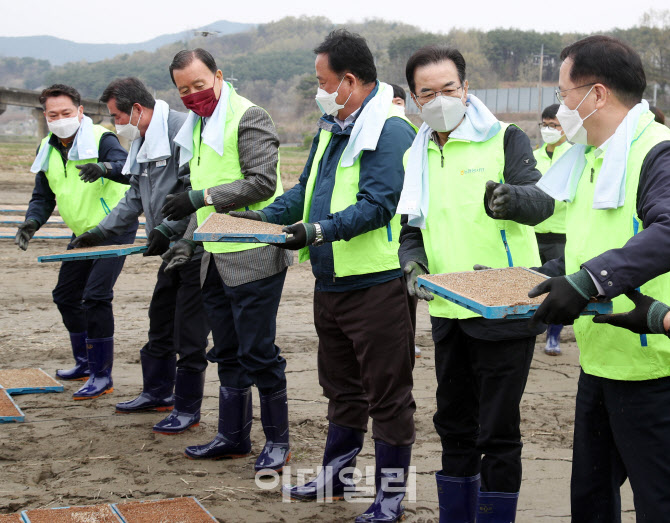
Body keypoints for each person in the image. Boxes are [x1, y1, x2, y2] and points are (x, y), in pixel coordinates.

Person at [231, 30, 417, 522]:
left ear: (349, 81)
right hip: (330, 283)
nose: (319, 89)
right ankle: (337, 476)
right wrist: (261, 219)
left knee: (388, 396)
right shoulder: (333, 127)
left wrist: (315, 232)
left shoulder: (391, 131)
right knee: (341, 387)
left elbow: (378, 206)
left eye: (323, 81)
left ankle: (391, 495)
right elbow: (305, 191)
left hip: (375, 286)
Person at [397, 46, 553, 522]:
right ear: (416, 98)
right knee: (453, 423)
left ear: (466, 89)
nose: (441, 98)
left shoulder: (503, 138)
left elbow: (543, 202)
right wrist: (411, 263)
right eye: (429, 92)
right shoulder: (417, 150)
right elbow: (412, 226)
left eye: (449, 88)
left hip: (504, 306)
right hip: (448, 309)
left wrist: (513, 199)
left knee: (497, 431)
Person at [528, 35, 670, 521]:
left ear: (597, 94)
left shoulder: (656, 152)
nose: (562, 105)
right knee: (589, 499)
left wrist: (589, 281)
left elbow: (667, 230)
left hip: (652, 367)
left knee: (658, 501)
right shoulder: (591, 157)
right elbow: (591, 240)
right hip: (600, 359)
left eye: (566, 94)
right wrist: (550, 275)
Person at [158, 48, 292, 473]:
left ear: (218, 75)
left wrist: (202, 198)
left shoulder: (248, 116)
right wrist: (182, 237)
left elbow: (262, 181)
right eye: (184, 90)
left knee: (258, 350)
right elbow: (198, 185)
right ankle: (232, 436)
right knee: (228, 350)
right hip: (214, 255)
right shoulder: (199, 125)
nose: (194, 95)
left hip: (253, 252)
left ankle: (277, 441)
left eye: (200, 85)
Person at [72, 77, 210, 434]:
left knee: (190, 332)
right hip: (168, 251)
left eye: (118, 117)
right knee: (160, 319)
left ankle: (187, 408)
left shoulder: (182, 129)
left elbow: (196, 190)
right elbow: (135, 193)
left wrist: (175, 233)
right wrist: (101, 231)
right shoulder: (143, 140)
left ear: (137, 109)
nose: (116, 124)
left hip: (195, 248)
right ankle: (158, 393)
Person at [15, 84, 134, 400]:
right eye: (53, 114)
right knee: (66, 295)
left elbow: (127, 169)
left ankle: (101, 374)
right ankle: (83, 362)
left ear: (80, 112)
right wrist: (31, 222)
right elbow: (43, 195)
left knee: (96, 296)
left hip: (113, 227)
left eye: (67, 113)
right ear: (46, 116)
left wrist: (103, 168)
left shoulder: (102, 138)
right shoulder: (47, 147)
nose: (60, 119)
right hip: (81, 233)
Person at [534, 104, 573, 356]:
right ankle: (533, 328)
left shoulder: (575, 155)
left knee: (558, 287)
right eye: (545, 125)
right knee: (534, 281)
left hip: (561, 233)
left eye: (554, 125)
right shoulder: (533, 157)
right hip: (534, 233)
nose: (549, 129)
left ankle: (554, 336)